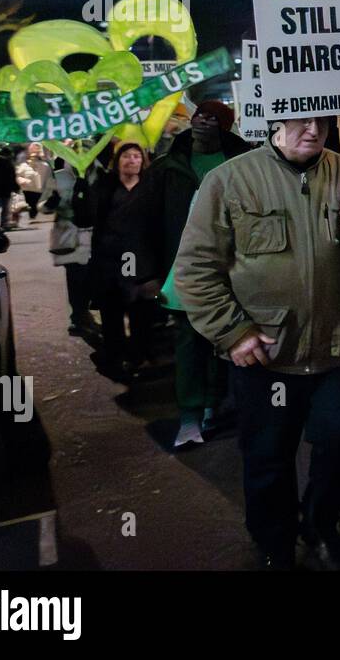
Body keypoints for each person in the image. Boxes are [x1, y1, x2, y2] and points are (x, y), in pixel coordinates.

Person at [174, 116, 340, 570]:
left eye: (321, 120)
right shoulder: (230, 180)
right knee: (267, 458)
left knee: (339, 443)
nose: (313, 130)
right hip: (266, 356)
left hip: (338, 350)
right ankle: (274, 542)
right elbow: (195, 270)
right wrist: (232, 333)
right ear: (277, 117)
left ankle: (322, 522)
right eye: (301, 119)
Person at [145, 101, 251, 449]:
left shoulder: (244, 164)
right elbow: (145, 221)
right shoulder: (168, 167)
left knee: (226, 339)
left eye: (214, 119)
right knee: (190, 344)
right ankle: (189, 416)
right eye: (200, 116)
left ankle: (213, 404)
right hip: (184, 272)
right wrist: (145, 272)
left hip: (234, 269)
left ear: (226, 127)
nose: (204, 122)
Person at [91, 142, 160, 378]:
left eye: (136, 156)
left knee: (141, 314)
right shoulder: (105, 186)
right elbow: (89, 216)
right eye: (126, 156)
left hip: (142, 261)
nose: (132, 160)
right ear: (117, 160)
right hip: (111, 260)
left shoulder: (150, 188)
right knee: (112, 314)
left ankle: (138, 356)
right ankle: (115, 357)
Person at [42, 154, 101, 341]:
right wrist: (54, 202)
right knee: (76, 279)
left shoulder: (100, 173)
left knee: (92, 279)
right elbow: (44, 205)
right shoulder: (59, 176)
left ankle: (84, 314)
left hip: (96, 237)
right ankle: (78, 317)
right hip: (70, 238)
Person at [15, 143, 52, 221]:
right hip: (27, 189)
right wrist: (22, 181)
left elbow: (49, 177)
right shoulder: (24, 165)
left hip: (39, 189)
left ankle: (32, 217)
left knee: (35, 205)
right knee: (29, 204)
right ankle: (30, 217)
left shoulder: (45, 165)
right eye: (32, 156)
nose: (33, 158)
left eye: (35, 156)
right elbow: (18, 176)